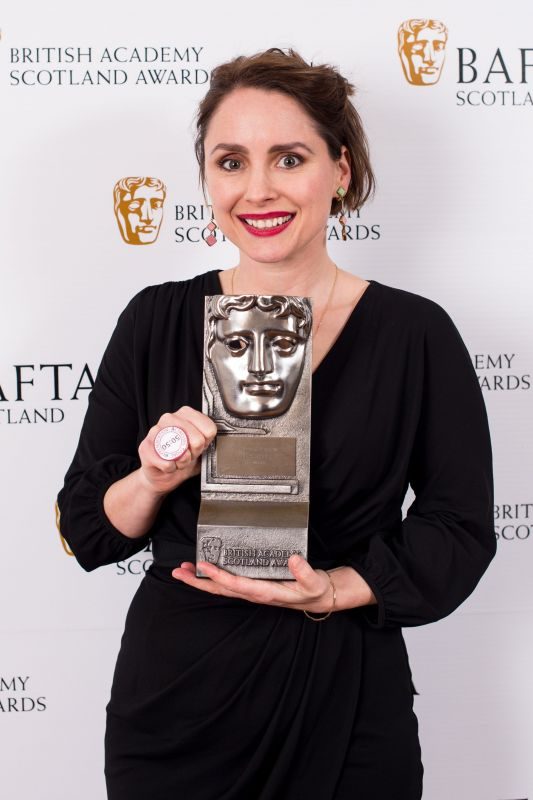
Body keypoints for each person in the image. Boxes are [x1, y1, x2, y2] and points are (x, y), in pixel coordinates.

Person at [57, 48, 496, 799]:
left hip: (347, 690)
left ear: (342, 169)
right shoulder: (155, 320)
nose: (256, 189)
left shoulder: (414, 333)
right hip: (179, 699)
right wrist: (154, 476)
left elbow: (458, 526)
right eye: (230, 162)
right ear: (207, 178)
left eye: (288, 158)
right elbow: (88, 529)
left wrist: (333, 589)